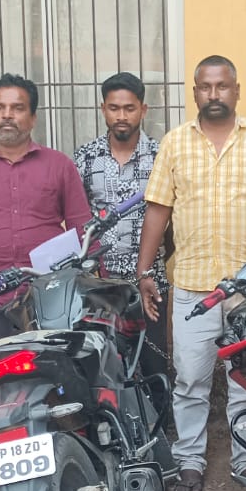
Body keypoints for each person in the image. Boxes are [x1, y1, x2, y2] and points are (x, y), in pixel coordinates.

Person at [134, 55, 246, 491]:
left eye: (222, 86)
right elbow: (158, 211)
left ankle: (245, 461)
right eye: (205, 87)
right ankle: (190, 462)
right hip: (193, 286)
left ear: (236, 90)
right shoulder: (175, 144)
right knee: (189, 379)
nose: (214, 94)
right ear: (195, 93)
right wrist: (145, 270)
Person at [0, 74, 93, 347]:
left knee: (54, 371)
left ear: (33, 117)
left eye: (17, 108)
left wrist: (94, 287)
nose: (7, 115)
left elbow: (83, 229)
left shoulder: (59, 166)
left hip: (52, 296)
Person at [72, 72, 168, 335]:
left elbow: (170, 222)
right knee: (102, 356)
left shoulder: (161, 157)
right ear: (103, 109)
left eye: (129, 108)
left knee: (152, 356)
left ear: (143, 110)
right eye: (114, 108)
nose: (122, 116)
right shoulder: (85, 158)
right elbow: (76, 218)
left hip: (151, 281)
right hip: (99, 287)